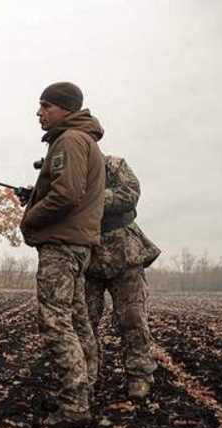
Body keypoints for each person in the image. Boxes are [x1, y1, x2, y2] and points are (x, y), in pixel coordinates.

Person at [20, 81, 105, 428]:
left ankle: (74, 405)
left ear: (65, 109)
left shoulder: (68, 140)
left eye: (45, 106)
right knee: (78, 319)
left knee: (55, 321)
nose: (39, 113)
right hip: (78, 245)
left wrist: (30, 219)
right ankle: (85, 390)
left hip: (62, 245)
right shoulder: (83, 141)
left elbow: (67, 195)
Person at [86, 155, 161, 400]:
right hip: (86, 253)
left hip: (124, 251)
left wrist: (88, 198)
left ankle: (139, 375)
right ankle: (87, 377)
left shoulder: (113, 164)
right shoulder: (67, 169)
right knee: (84, 321)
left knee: (132, 318)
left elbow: (130, 193)